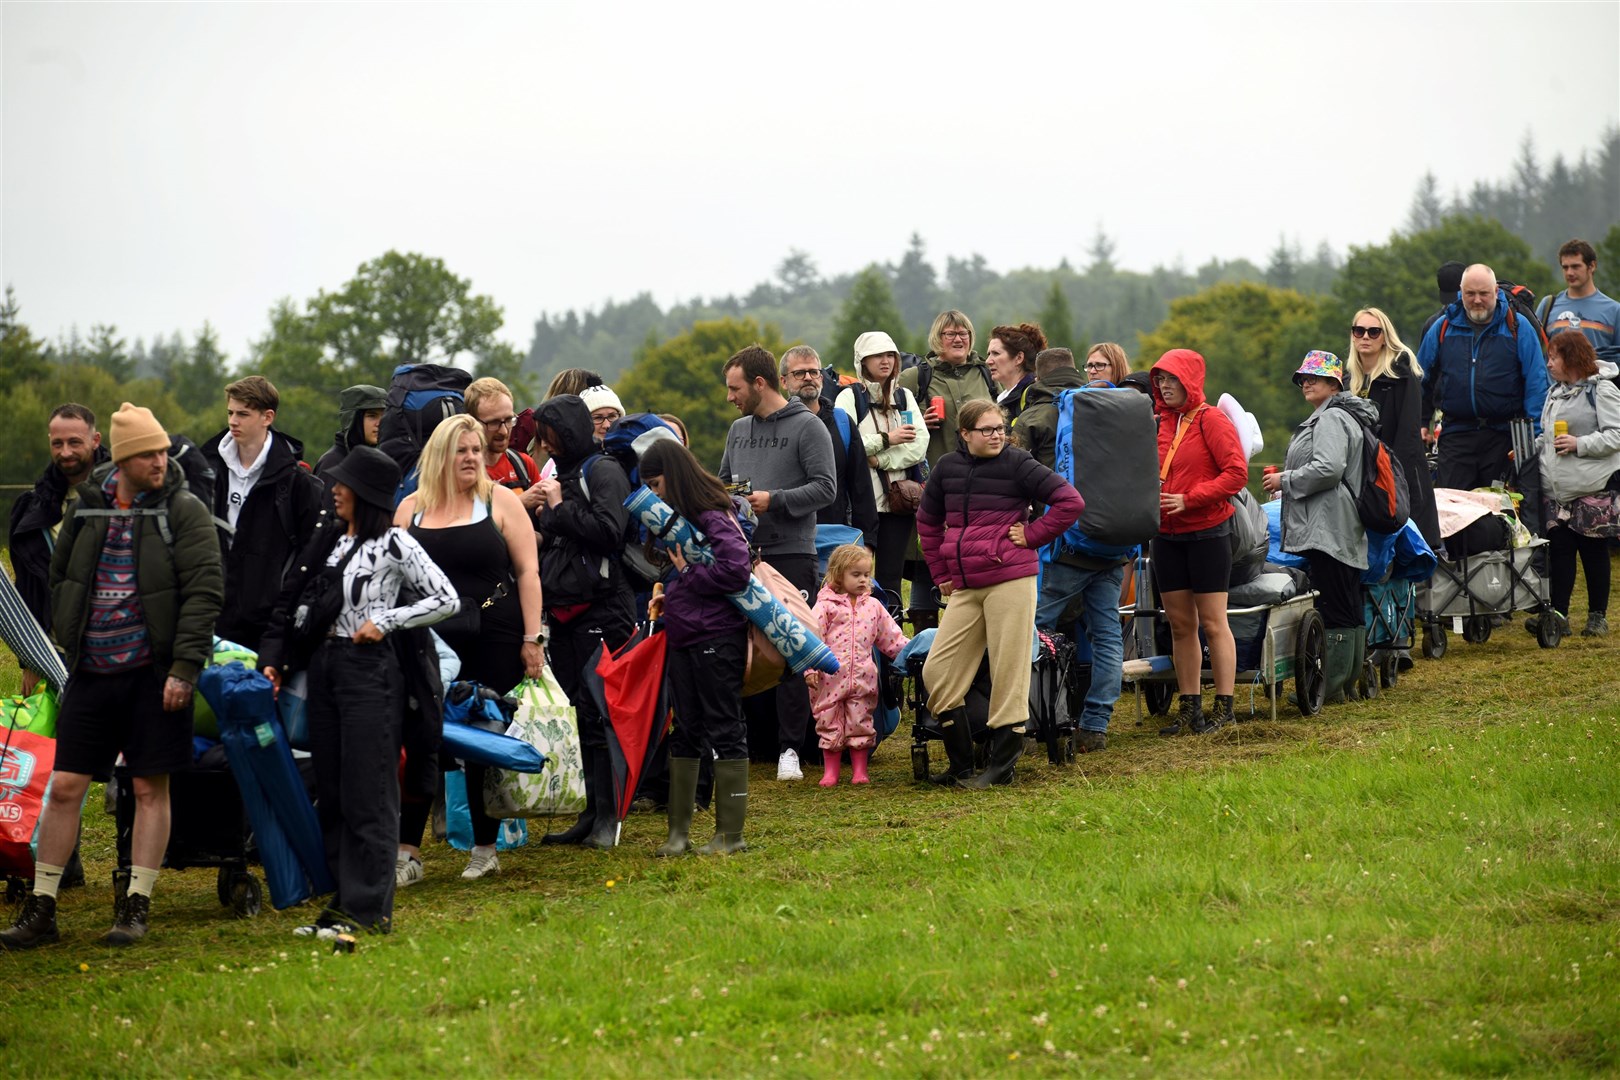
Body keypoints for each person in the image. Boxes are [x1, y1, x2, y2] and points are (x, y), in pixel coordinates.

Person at [1, 404, 223, 950]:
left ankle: (136, 906)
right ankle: (43, 907)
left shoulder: (185, 510)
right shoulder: (89, 509)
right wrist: (71, 641)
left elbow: (205, 592)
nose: (161, 460)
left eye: (163, 450)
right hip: (92, 675)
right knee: (65, 786)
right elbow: (62, 577)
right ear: (123, 459)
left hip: (154, 677)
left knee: (149, 787)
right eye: (149, 452)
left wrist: (184, 668)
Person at [260, 446, 458, 937]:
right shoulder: (329, 537)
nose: (334, 489)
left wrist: (388, 620)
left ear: (366, 493)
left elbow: (447, 598)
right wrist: (278, 660)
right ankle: (341, 904)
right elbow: (295, 597)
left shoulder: (396, 544)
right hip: (325, 668)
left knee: (369, 792)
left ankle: (367, 911)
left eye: (343, 484)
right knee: (334, 789)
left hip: (370, 672)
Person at [392, 415, 545, 882]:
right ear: (440, 454)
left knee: (482, 739)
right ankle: (407, 854)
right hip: (427, 642)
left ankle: (484, 849)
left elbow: (528, 573)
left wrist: (532, 638)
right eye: (462, 450)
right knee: (419, 741)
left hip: (493, 636)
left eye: (476, 450)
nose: (472, 458)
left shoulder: (500, 501)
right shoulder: (411, 508)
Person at [916, 400, 1083, 788]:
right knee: (937, 672)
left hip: (1010, 578)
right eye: (986, 430)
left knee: (1009, 670)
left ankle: (1002, 766)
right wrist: (940, 572)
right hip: (965, 585)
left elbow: (1070, 502)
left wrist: (1032, 535)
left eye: (999, 429)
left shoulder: (1017, 462)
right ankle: (960, 766)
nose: (995, 436)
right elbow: (927, 520)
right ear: (965, 434)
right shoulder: (947, 468)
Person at [719, 345, 836, 782]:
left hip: (791, 554)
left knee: (790, 652)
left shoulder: (809, 427)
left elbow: (826, 489)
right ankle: (741, 742)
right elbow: (724, 484)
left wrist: (775, 501)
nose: (730, 397)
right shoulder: (737, 430)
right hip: (743, 556)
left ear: (760, 384)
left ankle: (790, 749)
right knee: (740, 650)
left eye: (735, 388)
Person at [532, 393, 638, 846]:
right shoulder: (568, 473)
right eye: (544, 438)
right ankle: (590, 813)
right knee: (582, 712)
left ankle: (609, 819)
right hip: (568, 611)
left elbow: (611, 533)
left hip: (603, 608)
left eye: (555, 436)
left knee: (603, 711)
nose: (549, 445)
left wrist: (557, 509)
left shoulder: (603, 470)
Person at [639, 439, 753, 855]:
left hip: (717, 638)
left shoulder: (712, 513)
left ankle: (730, 834)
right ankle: (679, 834)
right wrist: (675, 595)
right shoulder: (686, 518)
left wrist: (687, 576)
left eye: (656, 484)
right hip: (685, 636)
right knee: (685, 730)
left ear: (674, 475)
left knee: (725, 727)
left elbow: (735, 571)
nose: (654, 495)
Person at [1019, 347, 1131, 754]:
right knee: (1106, 635)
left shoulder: (1039, 415)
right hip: (1113, 543)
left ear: (1038, 375)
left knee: (1035, 628)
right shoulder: (1109, 408)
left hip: (1066, 544)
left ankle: (1038, 719)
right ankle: (1095, 724)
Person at [1262, 352, 1373, 705]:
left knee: (1335, 604)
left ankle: (1333, 685)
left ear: (1334, 384)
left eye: (1315, 377)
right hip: (1338, 523)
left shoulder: (1330, 419)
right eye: (1303, 378)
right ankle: (1346, 682)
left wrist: (1285, 479)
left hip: (1329, 525)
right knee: (1348, 602)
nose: (1306, 382)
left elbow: (1328, 468)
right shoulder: (1339, 416)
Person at [1149, 349, 1248, 735]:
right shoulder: (1160, 423)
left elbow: (1236, 474)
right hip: (1166, 535)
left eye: (1172, 379)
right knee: (1179, 625)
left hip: (1207, 532)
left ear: (1190, 381)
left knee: (1212, 622)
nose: (1165, 386)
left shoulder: (1212, 420)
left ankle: (1225, 708)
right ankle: (1190, 707)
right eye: (1160, 379)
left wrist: (1189, 499)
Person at [202, 375, 325, 651]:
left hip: (267, 626)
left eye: (243, 414)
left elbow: (313, 554)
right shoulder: (206, 469)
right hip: (210, 614)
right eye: (230, 412)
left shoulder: (297, 482)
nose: (233, 421)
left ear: (267, 417)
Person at [898, 311, 998, 633]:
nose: (958, 339)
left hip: (984, 485)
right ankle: (925, 653)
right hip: (935, 483)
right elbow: (892, 423)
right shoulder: (916, 377)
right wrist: (915, 423)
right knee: (929, 560)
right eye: (950, 334)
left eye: (964, 334)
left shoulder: (985, 375)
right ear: (936, 339)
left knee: (977, 562)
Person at [1418, 263, 1549, 490]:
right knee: (1452, 512)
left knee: (1501, 513)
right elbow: (1420, 377)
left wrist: (1534, 437)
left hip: (1505, 437)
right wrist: (1420, 421)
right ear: (1461, 292)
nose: (1477, 300)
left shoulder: (1518, 327)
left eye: (1483, 293)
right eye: (1470, 294)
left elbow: (1536, 384)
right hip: (1456, 435)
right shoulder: (1443, 327)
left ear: (1496, 292)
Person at [9, 403, 109, 697]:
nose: (65, 452)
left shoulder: (126, 497)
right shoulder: (31, 508)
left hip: (116, 654)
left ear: (96, 440)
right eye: (57, 443)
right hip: (54, 655)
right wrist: (30, 659)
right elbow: (28, 590)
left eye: (75, 442)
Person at [1529, 331, 1620, 639]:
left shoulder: (1603, 391)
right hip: (1557, 490)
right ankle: (1559, 615)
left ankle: (1598, 616)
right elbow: (1548, 434)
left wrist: (1579, 444)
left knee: (1593, 552)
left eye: (1554, 357)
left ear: (1571, 359)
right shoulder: (1554, 392)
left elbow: (1616, 436)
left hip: (1590, 488)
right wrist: (1532, 447)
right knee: (1561, 551)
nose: (1549, 363)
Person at [806, 545, 909, 786]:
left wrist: (913, 654)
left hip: (863, 679)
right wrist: (809, 668)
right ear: (838, 574)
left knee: (861, 721)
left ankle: (859, 770)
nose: (864, 580)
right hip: (828, 679)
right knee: (828, 721)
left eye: (867, 574)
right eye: (856, 575)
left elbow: (892, 638)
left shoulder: (873, 607)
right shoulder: (825, 607)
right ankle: (831, 771)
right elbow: (810, 639)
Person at [833, 333, 927, 595]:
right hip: (859, 503)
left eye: (890, 355)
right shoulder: (848, 398)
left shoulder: (905, 397)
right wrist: (888, 439)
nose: (885, 361)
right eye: (877, 355)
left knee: (891, 578)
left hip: (899, 502)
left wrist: (880, 459)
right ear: (862, 361)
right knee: (853, 577)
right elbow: (844, 444)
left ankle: (892, 630)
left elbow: (919, 445)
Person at [1347, 307, 1442, 553]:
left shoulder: (1402, 375)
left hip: (1398, 475)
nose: (1365, 337)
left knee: (1404, 550)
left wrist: (1391, 480)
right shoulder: (1348, 380)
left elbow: (1409, 435)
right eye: (1359, 331)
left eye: (1373, 331)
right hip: (1359, 479)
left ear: (1385, 336)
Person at [781, 345, 879, 555]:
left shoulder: (842, 422)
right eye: (799, 373)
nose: (808, 377)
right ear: (783, 381)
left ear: (822, 378)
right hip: (788, 542)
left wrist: (868, 542)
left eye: (814, 372)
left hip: (838, 540)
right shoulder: (776, 425)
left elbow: (861, 486)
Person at [1539, 239, 1620, 363]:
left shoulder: (1614, 311)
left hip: (1598, 381)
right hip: (1554, 382)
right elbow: (1533, 355)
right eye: (1565, 267)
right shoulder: (1548, 306)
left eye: (1575, 266)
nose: (1569, 272)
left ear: (1592, 266)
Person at [464, 376, 539, 494]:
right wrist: (521, 503)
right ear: (472, 421)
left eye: (509, 420)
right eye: (494, 423)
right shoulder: (463, 472)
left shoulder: (523, 464)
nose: (504, 431)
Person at [313, 384, 387, 479]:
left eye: (384, 416)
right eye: (372, 416)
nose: (380, 423)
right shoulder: (333, 462)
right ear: (353, 419)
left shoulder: (371, 461)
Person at [985, 323, 1045, 422]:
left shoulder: (1034, 398)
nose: (988, 361)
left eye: (996, 353)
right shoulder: (1006, 399)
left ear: (1019, 358)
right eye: (989, 354)